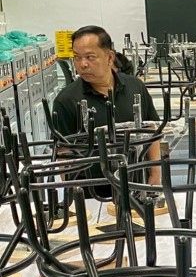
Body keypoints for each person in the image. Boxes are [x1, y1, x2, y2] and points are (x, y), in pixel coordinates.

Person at [52, 25, 160, 186]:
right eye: (77, 57)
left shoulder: (135, 86)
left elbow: (151, 130)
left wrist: (155, 173)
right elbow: (63, 152)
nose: (82, 64)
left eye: (90, 57)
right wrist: (72, 191)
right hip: (91, 188)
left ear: (109, 57)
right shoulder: (66, 100)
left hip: (137, 182)